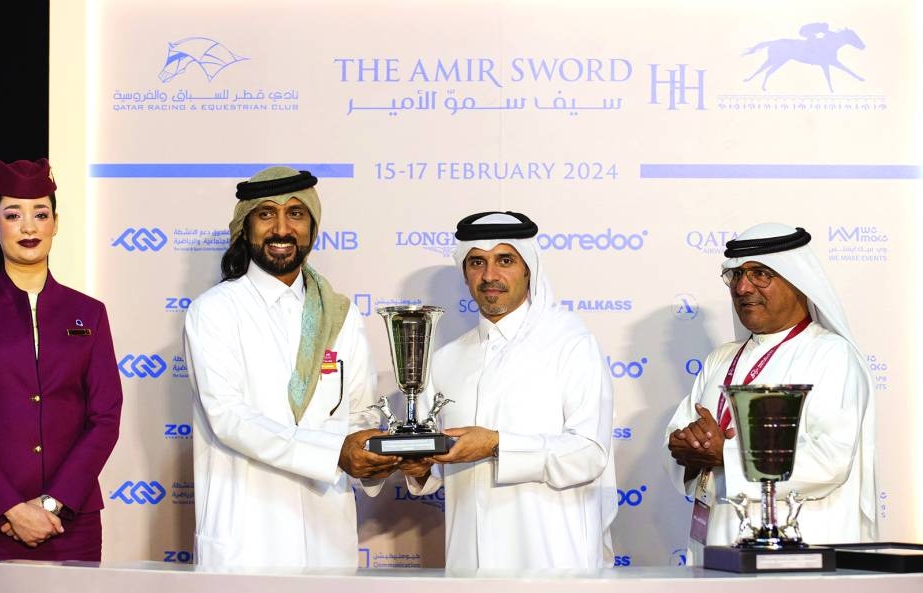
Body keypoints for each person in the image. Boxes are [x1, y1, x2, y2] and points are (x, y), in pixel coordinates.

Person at [184, 166, 398, 568]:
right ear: (246, 228)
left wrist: (375, 458)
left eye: (296, 214)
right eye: (267, 214)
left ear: (312, 227)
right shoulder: (214, 312)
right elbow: (229, 419)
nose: (282, 228)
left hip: (326, 538)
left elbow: (361, 413)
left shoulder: (341, 315)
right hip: (246, 539)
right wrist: (336, 452)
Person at [401, 211, 618, 569]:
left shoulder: (571, 344)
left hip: (553, 560)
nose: (490, 276)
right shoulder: (444, 359)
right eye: (477, 263)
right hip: (468, 563)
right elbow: (433, 470)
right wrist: (419, 467)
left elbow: (589, 454)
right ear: (465, 272)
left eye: (505, 260)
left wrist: (497, 444)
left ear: (528, 268)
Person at [0, 158, 122, 560]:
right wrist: (10, 508)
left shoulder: (89, 313)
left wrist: (52, 505)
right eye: (13, 214)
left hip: (70, 521)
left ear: (56, 222)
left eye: (40, 213)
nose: (28, 226)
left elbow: (105, 418)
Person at [664, 223, 876, 563]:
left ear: (798, 282)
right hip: (717, 545)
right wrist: (686, 448)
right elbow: (680, 437)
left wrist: (726, 454)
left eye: (760, 274)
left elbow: (830, 460)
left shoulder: (831, 355)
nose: (743, 287)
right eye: (736, 275)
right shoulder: (721, 357)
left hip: (801, 551)